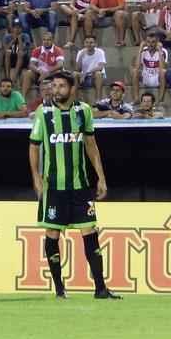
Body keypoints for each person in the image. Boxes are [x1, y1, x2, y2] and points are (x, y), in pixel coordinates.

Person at [28, 71, 119, 300]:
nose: (55, 90)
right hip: (53, 186)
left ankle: (100, 288)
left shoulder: (84, 111)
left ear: (71, 88)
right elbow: (34, 146)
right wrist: (36, 178)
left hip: (80, 186)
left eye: (60, 86)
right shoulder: (43, 112)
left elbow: (91, 144)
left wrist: (101, 177)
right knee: (52, 233)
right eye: (53, 86)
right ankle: (59, 289)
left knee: (89, 231)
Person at [22, 31, 65, 97]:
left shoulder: (58, 50)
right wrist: (39, 71)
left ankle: (43, 97)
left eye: (48, 40)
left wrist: (47, 72)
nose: (46, 42)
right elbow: (31, 65)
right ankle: (23, 98)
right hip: (39, 73)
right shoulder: (37, 50)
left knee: (57, 71)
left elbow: (60, 65)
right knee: (28, 73)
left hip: (52, 73)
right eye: (44, 39)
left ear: (52, 40)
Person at [132, 30, 168, 104]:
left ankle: (160, 100)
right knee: (135, 71)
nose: (150, 44)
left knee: (163, 72)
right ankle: (136, 99)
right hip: (146, 77)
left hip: (157, 78)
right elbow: (137, 66)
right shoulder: (143, 50)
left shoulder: (163, 51)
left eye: (153, 42)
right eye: (148, 42)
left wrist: (160, 51)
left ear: (157, 42)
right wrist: (140, 49)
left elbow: (163, 68)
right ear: (145, 42)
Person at [74, 35, 106, 101]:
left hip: (94, 77)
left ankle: (98, 100)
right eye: (87, 42)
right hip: (84, 77)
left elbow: (100, 67)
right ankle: (75, 99)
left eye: (91, 42)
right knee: (75, 74)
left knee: (98, 74)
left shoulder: (100, 52)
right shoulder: (81, 52)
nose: (89, 44)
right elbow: (77, 69)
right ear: (84, 43)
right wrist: (80, 57)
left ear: (95, 44)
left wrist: (86, 73)